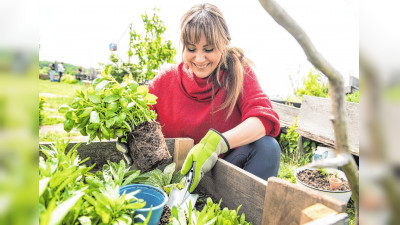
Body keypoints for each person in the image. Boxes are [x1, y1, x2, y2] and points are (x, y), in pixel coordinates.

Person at [148, 3, 281, 193]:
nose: (200, 59)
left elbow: (263, 119)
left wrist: (216, 144)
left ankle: (242, 213)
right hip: (174, 178)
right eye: (191, 49)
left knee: (268, 148)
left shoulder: (238, 72)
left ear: (223, 45)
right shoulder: (164, 81)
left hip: (222, 173)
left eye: (209, 49)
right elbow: (138, 116)